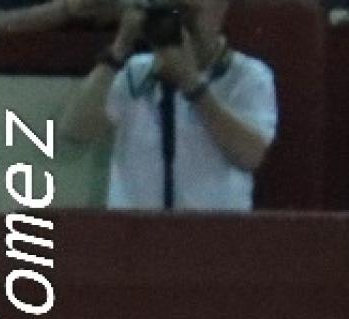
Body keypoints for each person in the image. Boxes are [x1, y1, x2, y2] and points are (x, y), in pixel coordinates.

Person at [60, 0, 275, 211]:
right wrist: (120, 47)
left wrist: (193, 85)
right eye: (176, 12)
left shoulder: (248, 75)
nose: (182, 24)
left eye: (189, 13)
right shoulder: (137, 71)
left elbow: (250, 156)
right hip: (134, 234)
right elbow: (75, 130)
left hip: (213, 235)